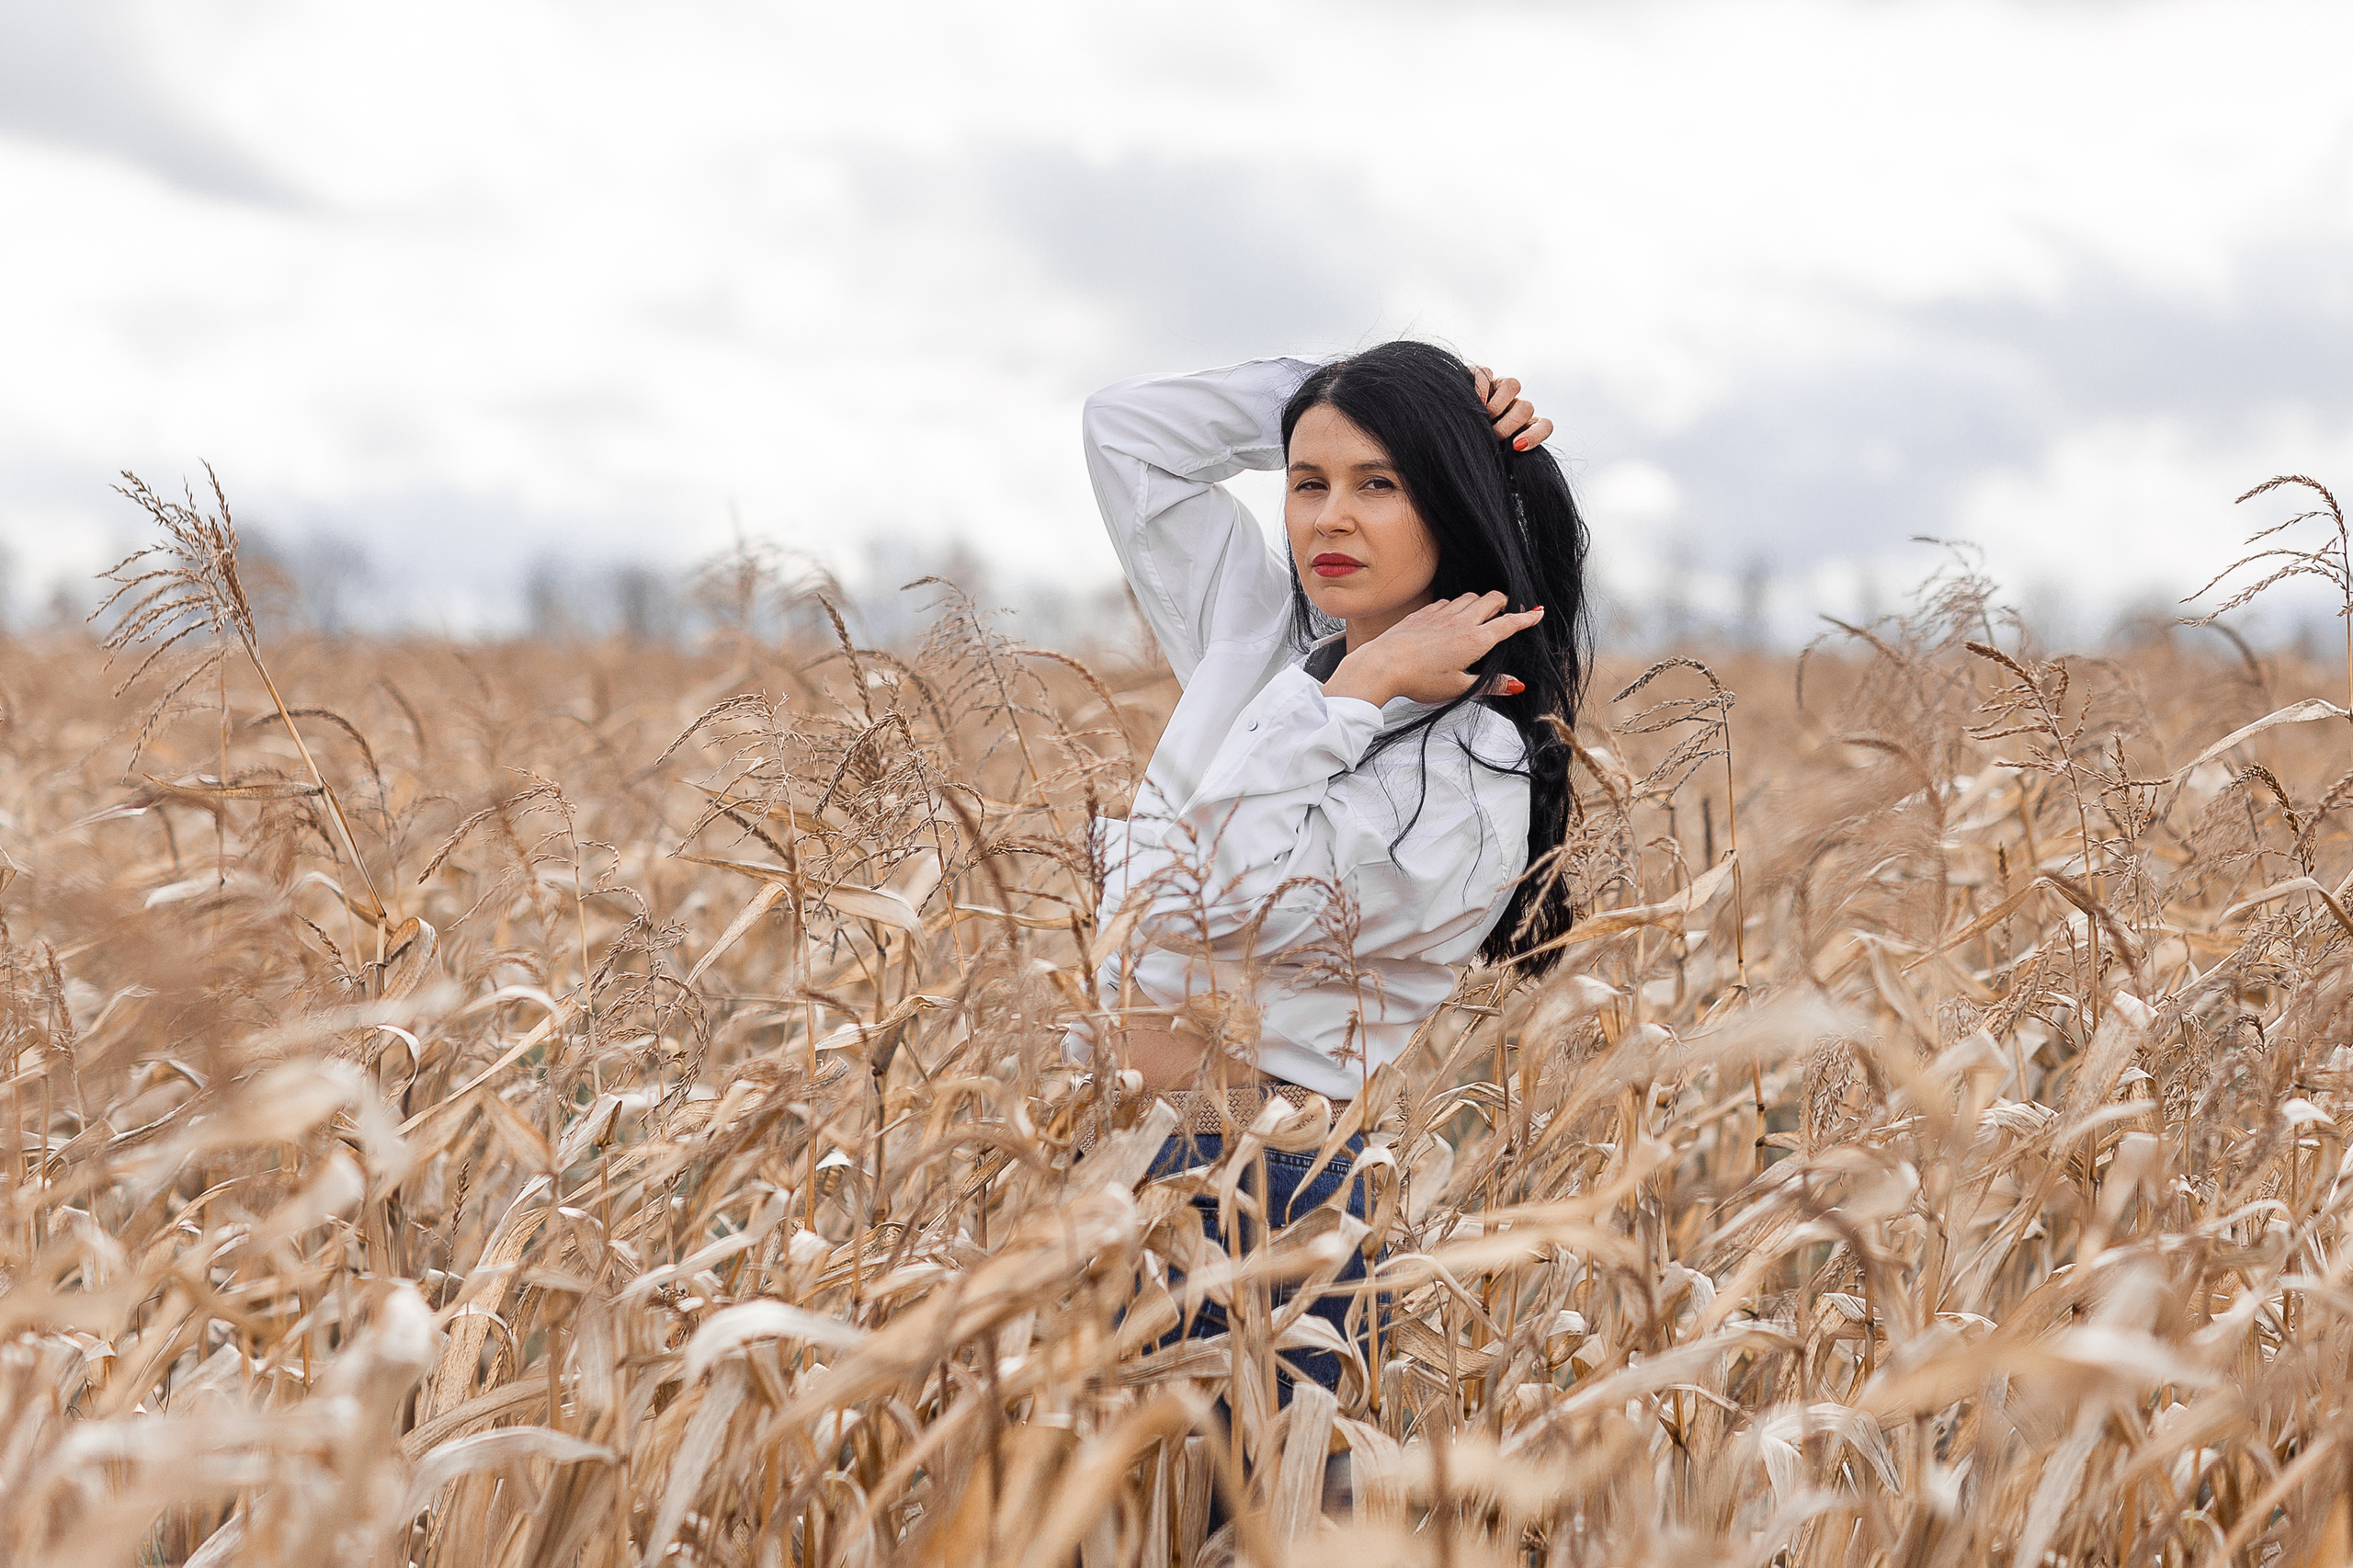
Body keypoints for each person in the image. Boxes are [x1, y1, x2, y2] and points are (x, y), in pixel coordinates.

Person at [1074, 341, 1593, 1399]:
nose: (1328, 518)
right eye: (1307, 483)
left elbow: (1208, 896)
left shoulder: (1476, 767)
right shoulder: (1269, 646)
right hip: (1112, 1168)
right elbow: (1124, 431)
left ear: (1451, 502)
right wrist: (1344, 389)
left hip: (1260, 1201)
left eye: (1381, 483)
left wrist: (1354, 695)